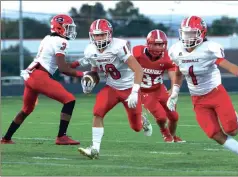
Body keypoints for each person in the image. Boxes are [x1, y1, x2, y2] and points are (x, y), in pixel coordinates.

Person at [167, 15, 238, 169]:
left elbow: (227, 64)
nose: (187, 37)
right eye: (185, 33)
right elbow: (178, 72)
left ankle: (237, 120)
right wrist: (175, 93)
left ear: (202, 33)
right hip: (197, 99)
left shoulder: (209, 48)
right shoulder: (176, 50)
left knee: (232, 130)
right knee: (213, 133)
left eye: (192, 33)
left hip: (216, 93)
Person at [72, 19, 153, 159]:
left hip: (129, 87)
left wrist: (134, 92)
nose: (99, 38)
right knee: (98, 112)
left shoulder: (119, 46)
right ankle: (94, 149)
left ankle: (143, 120)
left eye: (102, 35)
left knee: (136, 127)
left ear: (109, 34)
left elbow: (138, 70)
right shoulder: (90, 50)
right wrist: (90, 82)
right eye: (96, 35)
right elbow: (94, 71)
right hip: (112, 87)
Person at [1, 14, 87, 145]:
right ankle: (61, 136)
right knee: (69, 100)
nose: (70, 31)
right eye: (68, 27)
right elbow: (63, 69)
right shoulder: (61, 41)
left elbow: (61, 66)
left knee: (26, 109)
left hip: (30, 75)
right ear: (59, 27)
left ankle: (6, 138)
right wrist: (83, 74)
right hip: (39, 76)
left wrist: (77, 64)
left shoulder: (48, 38)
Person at [132, 29, 185, 143]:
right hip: (144, 91)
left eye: (161, 44)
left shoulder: (167, 56)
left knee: (174, 116)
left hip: (159, 89)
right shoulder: (137, 52)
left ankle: (172, 135)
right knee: (161, 117)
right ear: (149, 43)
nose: (158, 48)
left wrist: (172, 88)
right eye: (155, 44)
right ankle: (166, 134)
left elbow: (173, 74)